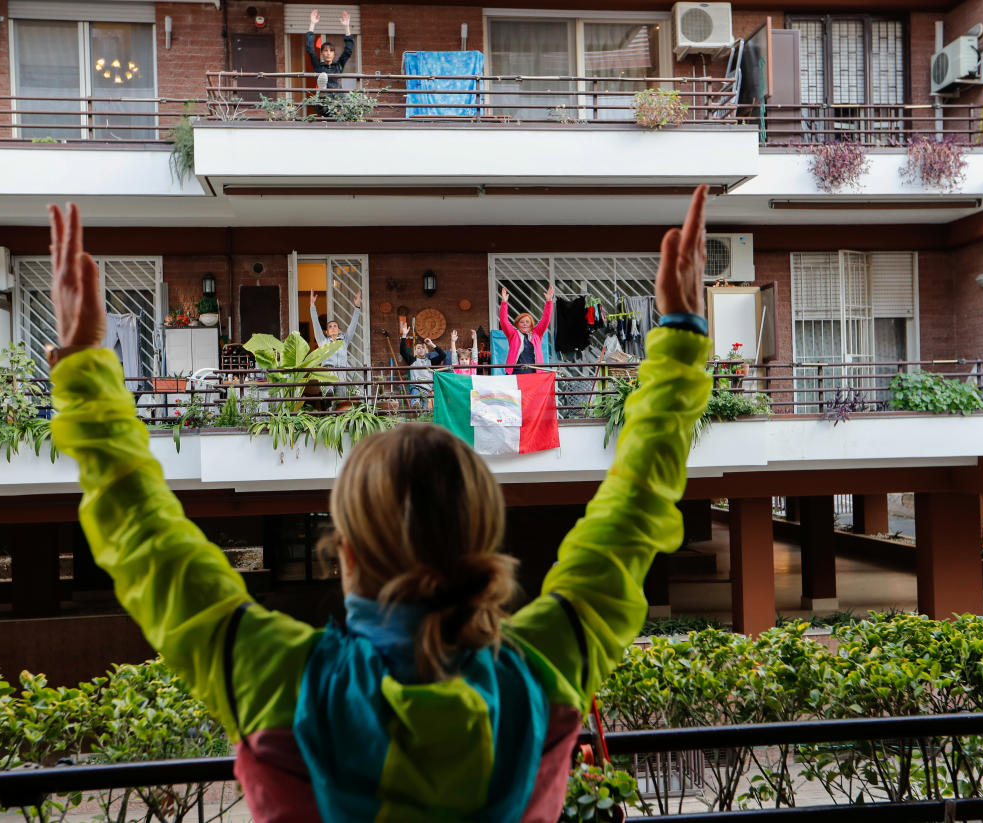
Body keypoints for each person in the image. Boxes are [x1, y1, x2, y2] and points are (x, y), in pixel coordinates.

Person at [44, 184, 712, 822]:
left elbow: (144, 537)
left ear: (348, 551)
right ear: (481, 547)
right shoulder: (544, 669)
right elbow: (635, 506)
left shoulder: (283, 681)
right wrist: (679, 334)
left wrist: (83, 367)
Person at [309, 288, 361, 395]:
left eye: (335, 326)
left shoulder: (344, 340)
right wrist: (312, 305)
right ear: (327, 331)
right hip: (328, 372)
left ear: (339, 330)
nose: (333, 328)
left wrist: (357, 308)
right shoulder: (323, 341)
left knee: (340, 400)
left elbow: (353, 325)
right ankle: (329, 395)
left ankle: (335, 404)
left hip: (342, 372)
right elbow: (315, 324)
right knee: (329, 394)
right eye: (330, 327)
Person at [306, 8, 353, 117]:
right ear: (321, 53)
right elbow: (310, 49)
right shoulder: (318, 66)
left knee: (342, 102)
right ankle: (322, 93)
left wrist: (346, 27)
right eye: (325, 51)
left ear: (334, 54)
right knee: (322, 99)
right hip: (323, 103)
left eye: (331, 51)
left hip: (337, 98)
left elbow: (348, 50)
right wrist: (312, 24)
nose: (328, 53)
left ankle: (327, 97)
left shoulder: (339, 65)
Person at [499, 284, 555, 375]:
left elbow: (546, 319)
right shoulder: (513, 334)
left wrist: (549, 301)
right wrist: (504, 302)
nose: (525, 324)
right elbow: (504, 321)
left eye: (527, 322)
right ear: (517, 324)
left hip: (534, 373)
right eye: (522, 322)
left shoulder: (537, 333)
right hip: (515, 372)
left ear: (531, 324)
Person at [398, 320, 444, 408]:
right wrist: (404, 335)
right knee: (415, 394)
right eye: (418, 348)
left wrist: (431, 344)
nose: (421, 349)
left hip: (427, 389)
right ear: (415, 351)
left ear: (427, 350)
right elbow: (402, 351)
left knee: (424, 410)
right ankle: (415, 404)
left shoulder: (430, 361)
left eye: (423, 348)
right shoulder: (412, 360)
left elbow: (442, 355)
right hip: (416, 386)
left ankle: (419, 412)